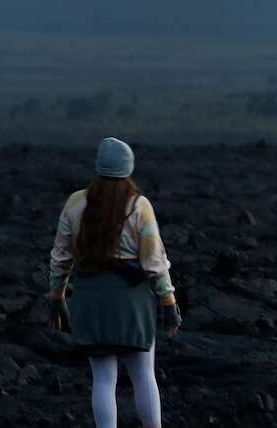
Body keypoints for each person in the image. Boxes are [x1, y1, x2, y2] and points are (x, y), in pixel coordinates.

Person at [46, 136, 182, 428]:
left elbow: (60, 256)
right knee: (144, 373)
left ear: (98, 167)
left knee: (103, 379)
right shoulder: (139, 206)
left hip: (91, 297)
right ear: (128, 169)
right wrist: (168, 301)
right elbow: (154, 261)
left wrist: (57, 297)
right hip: (132, 299)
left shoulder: (75, 202)